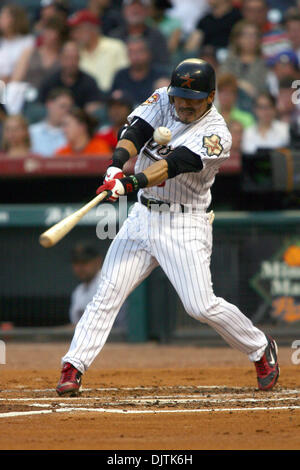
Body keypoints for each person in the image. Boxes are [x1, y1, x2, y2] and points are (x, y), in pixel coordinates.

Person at [56, 58, 280, 396]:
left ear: (211, 96)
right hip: (143, 217)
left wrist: (130, 183)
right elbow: (135, 132)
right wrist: (116, 166)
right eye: (180, 96)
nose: (184, 104)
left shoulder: (218, 134)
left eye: (193, 98)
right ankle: (72, 367)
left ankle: (259, 347)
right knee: (107, 292)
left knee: (200, 306)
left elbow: (174, 165)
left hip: (184, 221)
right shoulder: (163, 98)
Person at [68, 9, 129, 93]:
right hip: (86, 99)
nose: (74, 35)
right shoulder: (76, 52)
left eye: (77, 30)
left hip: (112, 97)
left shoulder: (115, 47)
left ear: (91, 29)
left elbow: (125, 76)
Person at [70, 241, 128, 329]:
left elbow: (96, 325)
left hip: (119, 337)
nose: (80, 267)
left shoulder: (109, 282)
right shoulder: (78, 291)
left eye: (84, 262)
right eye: (76, 263)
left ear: (98, 261)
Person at [38, 40, 104, 113]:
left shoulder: (89, 82)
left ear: (79, 60)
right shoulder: (49, 81)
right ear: (60, 59)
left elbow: (93, 107)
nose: (70, 63)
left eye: (74, 58)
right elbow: (41, 106)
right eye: (67, 58)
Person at [12, 15, 69, 90]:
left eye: (52, 31)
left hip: (53, 95)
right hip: (28, 94)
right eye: (46, 30)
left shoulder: (64, 56)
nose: (47, 34)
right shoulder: (29, 52)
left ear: (60, 35)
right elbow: (16, 79)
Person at [110, 0, 170, 69]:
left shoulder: (157, 36)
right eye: (131, 6)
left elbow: (163, 65)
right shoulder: (114, 36)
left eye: (140, 6)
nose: (135, 10)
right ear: (124, 10)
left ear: (148, 11)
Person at [111, 36, 167, 106]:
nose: (136, 56)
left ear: (148, 53)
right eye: (131, 52)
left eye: (140, 51)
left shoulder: (160, 74)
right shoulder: (121, 75)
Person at [219, 20, 268, 98]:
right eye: (247, 35)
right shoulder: (229, 61)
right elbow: (223, 81)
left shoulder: (265, 63)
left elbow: (263, 89)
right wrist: (241, 84)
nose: (251, 39)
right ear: (237, 39)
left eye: (254, 35)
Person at [29, 88, 73, 157]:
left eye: (69, 108)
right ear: (49, 104)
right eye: (62, 106)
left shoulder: (74, 134)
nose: (66, 111)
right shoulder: (31, 132)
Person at [0, 4, 35, 83]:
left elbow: (17, 76)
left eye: (4, 17)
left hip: (13, 87)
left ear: (15, 20)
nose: (0, 20)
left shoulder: (27, 41)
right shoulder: (2, 40)